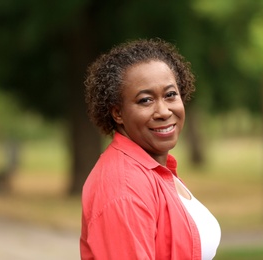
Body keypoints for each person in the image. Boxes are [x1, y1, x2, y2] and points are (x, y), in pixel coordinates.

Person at [80, 38, 221, 260]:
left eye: (170, 95)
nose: (163, 111)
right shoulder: (124, 189)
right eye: (145, 100)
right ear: (118, 113)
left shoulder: (155, 170)